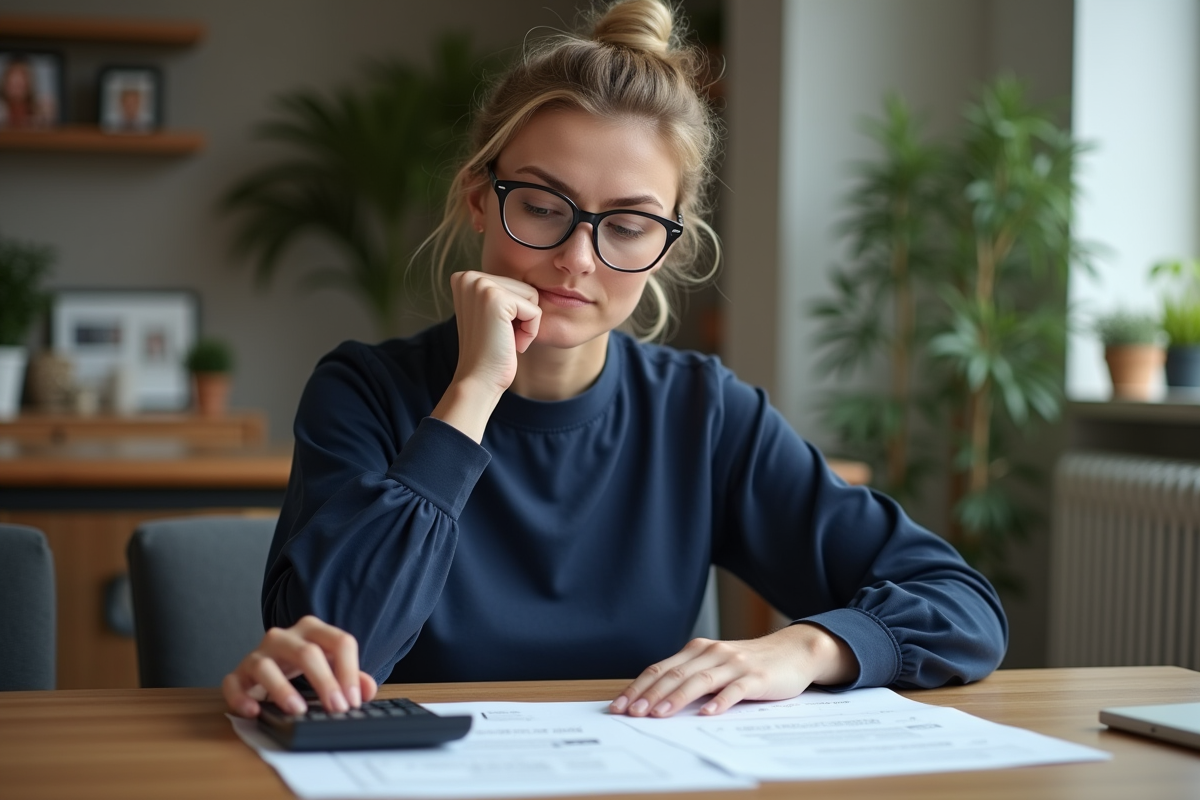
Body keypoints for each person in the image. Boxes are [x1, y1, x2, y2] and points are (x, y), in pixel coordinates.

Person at [223, 0, 1007, 721]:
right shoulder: (364, 392)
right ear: (477, 197)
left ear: (671, 243)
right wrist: (471, 394)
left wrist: (803, 648)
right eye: (540, 205)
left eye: (628, 225)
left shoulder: (703, 414)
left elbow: (961, 604)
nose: (575, 259)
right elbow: (320, 666)